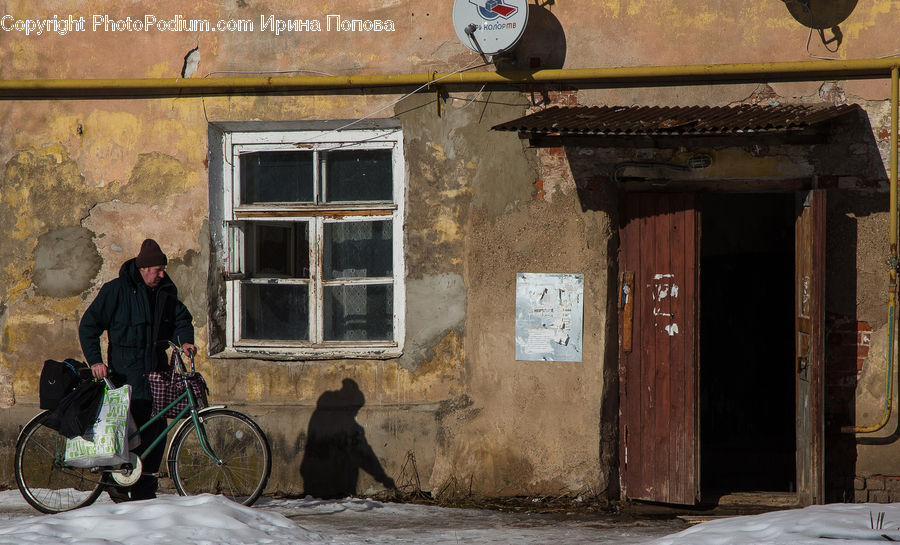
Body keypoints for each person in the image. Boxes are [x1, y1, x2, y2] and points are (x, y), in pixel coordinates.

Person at [79, 238, 195, 501]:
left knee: (155, 434)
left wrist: (185, 341)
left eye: (163, 268)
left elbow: (181, 319)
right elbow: (89, 326)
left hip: (156, 375)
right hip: (124, 377)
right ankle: (117, 490)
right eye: (158, 269)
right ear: (143, 269)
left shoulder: (166, 290)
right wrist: (96, 362)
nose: (163, 273)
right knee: (124, 437)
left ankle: (145, 493)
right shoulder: (116, 291)